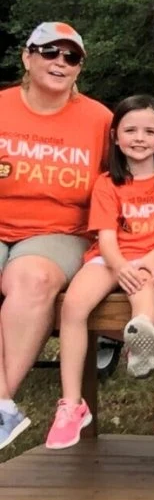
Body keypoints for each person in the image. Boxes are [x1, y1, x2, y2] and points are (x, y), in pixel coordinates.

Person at [43, 96, 154, 448]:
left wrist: (151, 259)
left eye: (149, 131)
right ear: (115, 137)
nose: (139, 138)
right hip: (111, 258)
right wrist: (120, 265)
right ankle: (71, 404)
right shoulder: (107, 183)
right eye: (130, 130)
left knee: (144, 288)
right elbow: (106, 238)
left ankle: (140, 339)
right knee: (73, 306)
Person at [0, 23, 111, 449]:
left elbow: (123, 181)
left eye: (71, 57)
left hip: (59, 229)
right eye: (49, 52)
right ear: (27, 58)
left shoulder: (100, 119)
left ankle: (2, 402)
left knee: (31, 279)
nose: (59, 63)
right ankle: (4, 406)